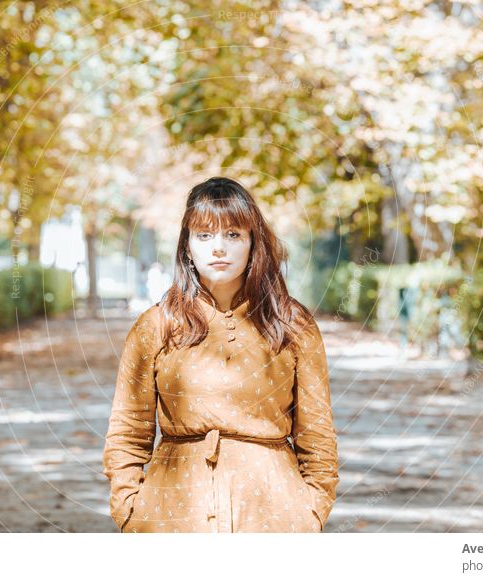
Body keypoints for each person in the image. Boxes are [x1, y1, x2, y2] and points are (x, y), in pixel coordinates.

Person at [102, 176, 339, 533]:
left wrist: (311, 512)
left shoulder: (292, 324)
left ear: (252, 243)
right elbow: (127, 432)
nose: (218, 248)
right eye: (204, 235)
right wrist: (130, 511)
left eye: (233, 234)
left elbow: (317, 435)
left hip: (275, 515)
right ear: (186, 247)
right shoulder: (156, 326)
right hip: (170, 514)